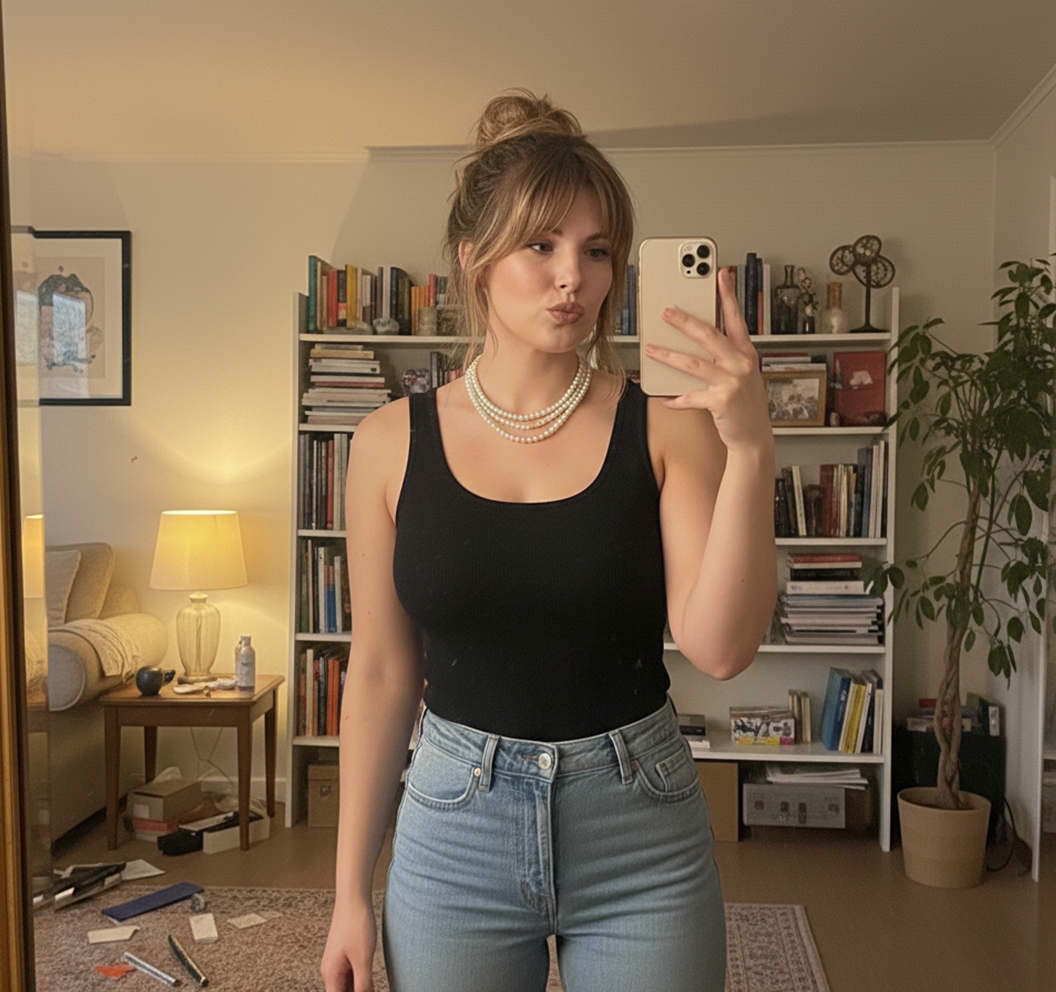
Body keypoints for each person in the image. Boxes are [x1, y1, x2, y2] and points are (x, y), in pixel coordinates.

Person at [321, 89, 776, 992]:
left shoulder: (668, 428)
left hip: (639, 828)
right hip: (455, 828)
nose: (575, 276)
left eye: (597, 249)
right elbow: (378, 674)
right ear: (474, 259)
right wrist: (346, 895)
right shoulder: (383, 444)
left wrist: (752, 446)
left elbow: (721, 650)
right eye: (541, 245)